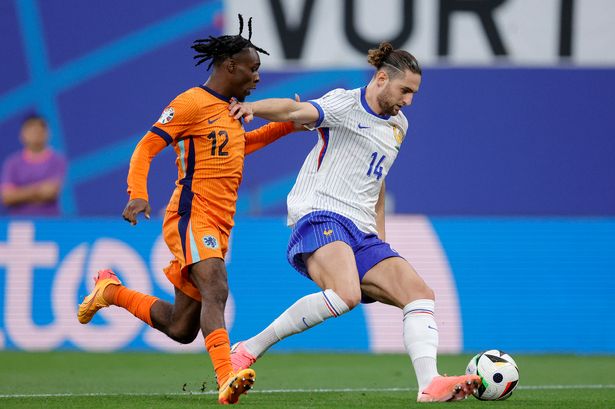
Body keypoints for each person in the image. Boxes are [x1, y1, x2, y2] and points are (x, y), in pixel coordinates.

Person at [227, 42, 481, 403]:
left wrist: (380, 238)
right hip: (321, 213)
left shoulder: (399, 126)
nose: (409, 101)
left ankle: (429, 384)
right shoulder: (345, 104)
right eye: (405, 90)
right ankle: (247, 349)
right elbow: (294, 109)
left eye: (414, 93)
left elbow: (377, 183)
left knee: (420, 294)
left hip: (361, 230)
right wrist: (252, 106)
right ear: (381, 79)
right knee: (345, 295)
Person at [77, 15, 297, 405]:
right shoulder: (190, 103)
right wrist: (138, 192)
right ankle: (227, 378)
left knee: (181, 327)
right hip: (191, 215)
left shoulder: (231, 110)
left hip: (220, 222)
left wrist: (288, 124)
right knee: (218, 287)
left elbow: (240, 147)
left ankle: (110, 291)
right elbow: (146, 146)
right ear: (230, 66)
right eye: (253, 68)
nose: (257, 78)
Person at [1, 114, 66, 216]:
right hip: (19, 224)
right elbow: (7, 197)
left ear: (47, 134)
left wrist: (19, 193)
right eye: (31, 131)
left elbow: (49, 193)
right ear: (22, 135)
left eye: (39, 131)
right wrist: (37, 191)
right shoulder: (12, 163)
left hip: (50, 223)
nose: (36, 134)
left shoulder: (58, 160)